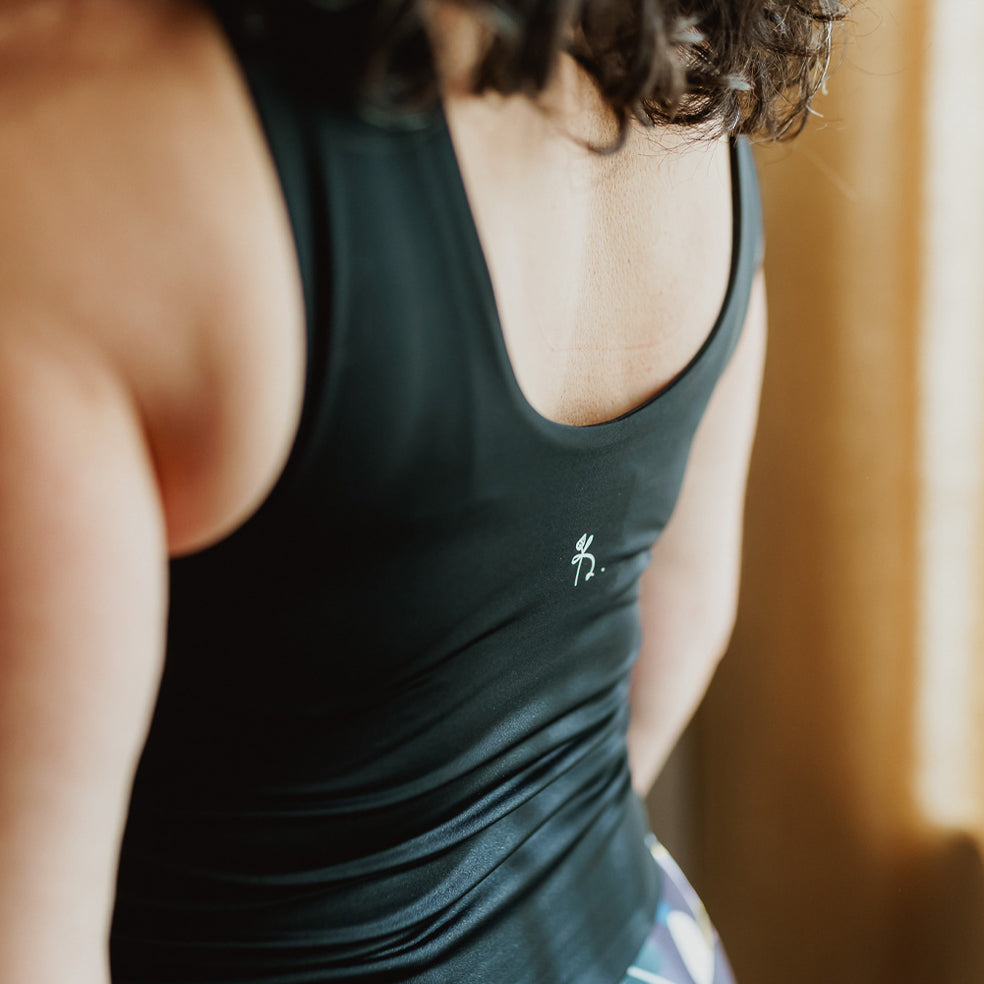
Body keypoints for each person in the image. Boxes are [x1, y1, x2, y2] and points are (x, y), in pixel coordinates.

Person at [0, 0, 841, 981]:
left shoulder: (82, 149)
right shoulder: (678, 70)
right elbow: (678, 621)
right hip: (635, 947)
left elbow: (26, 939)